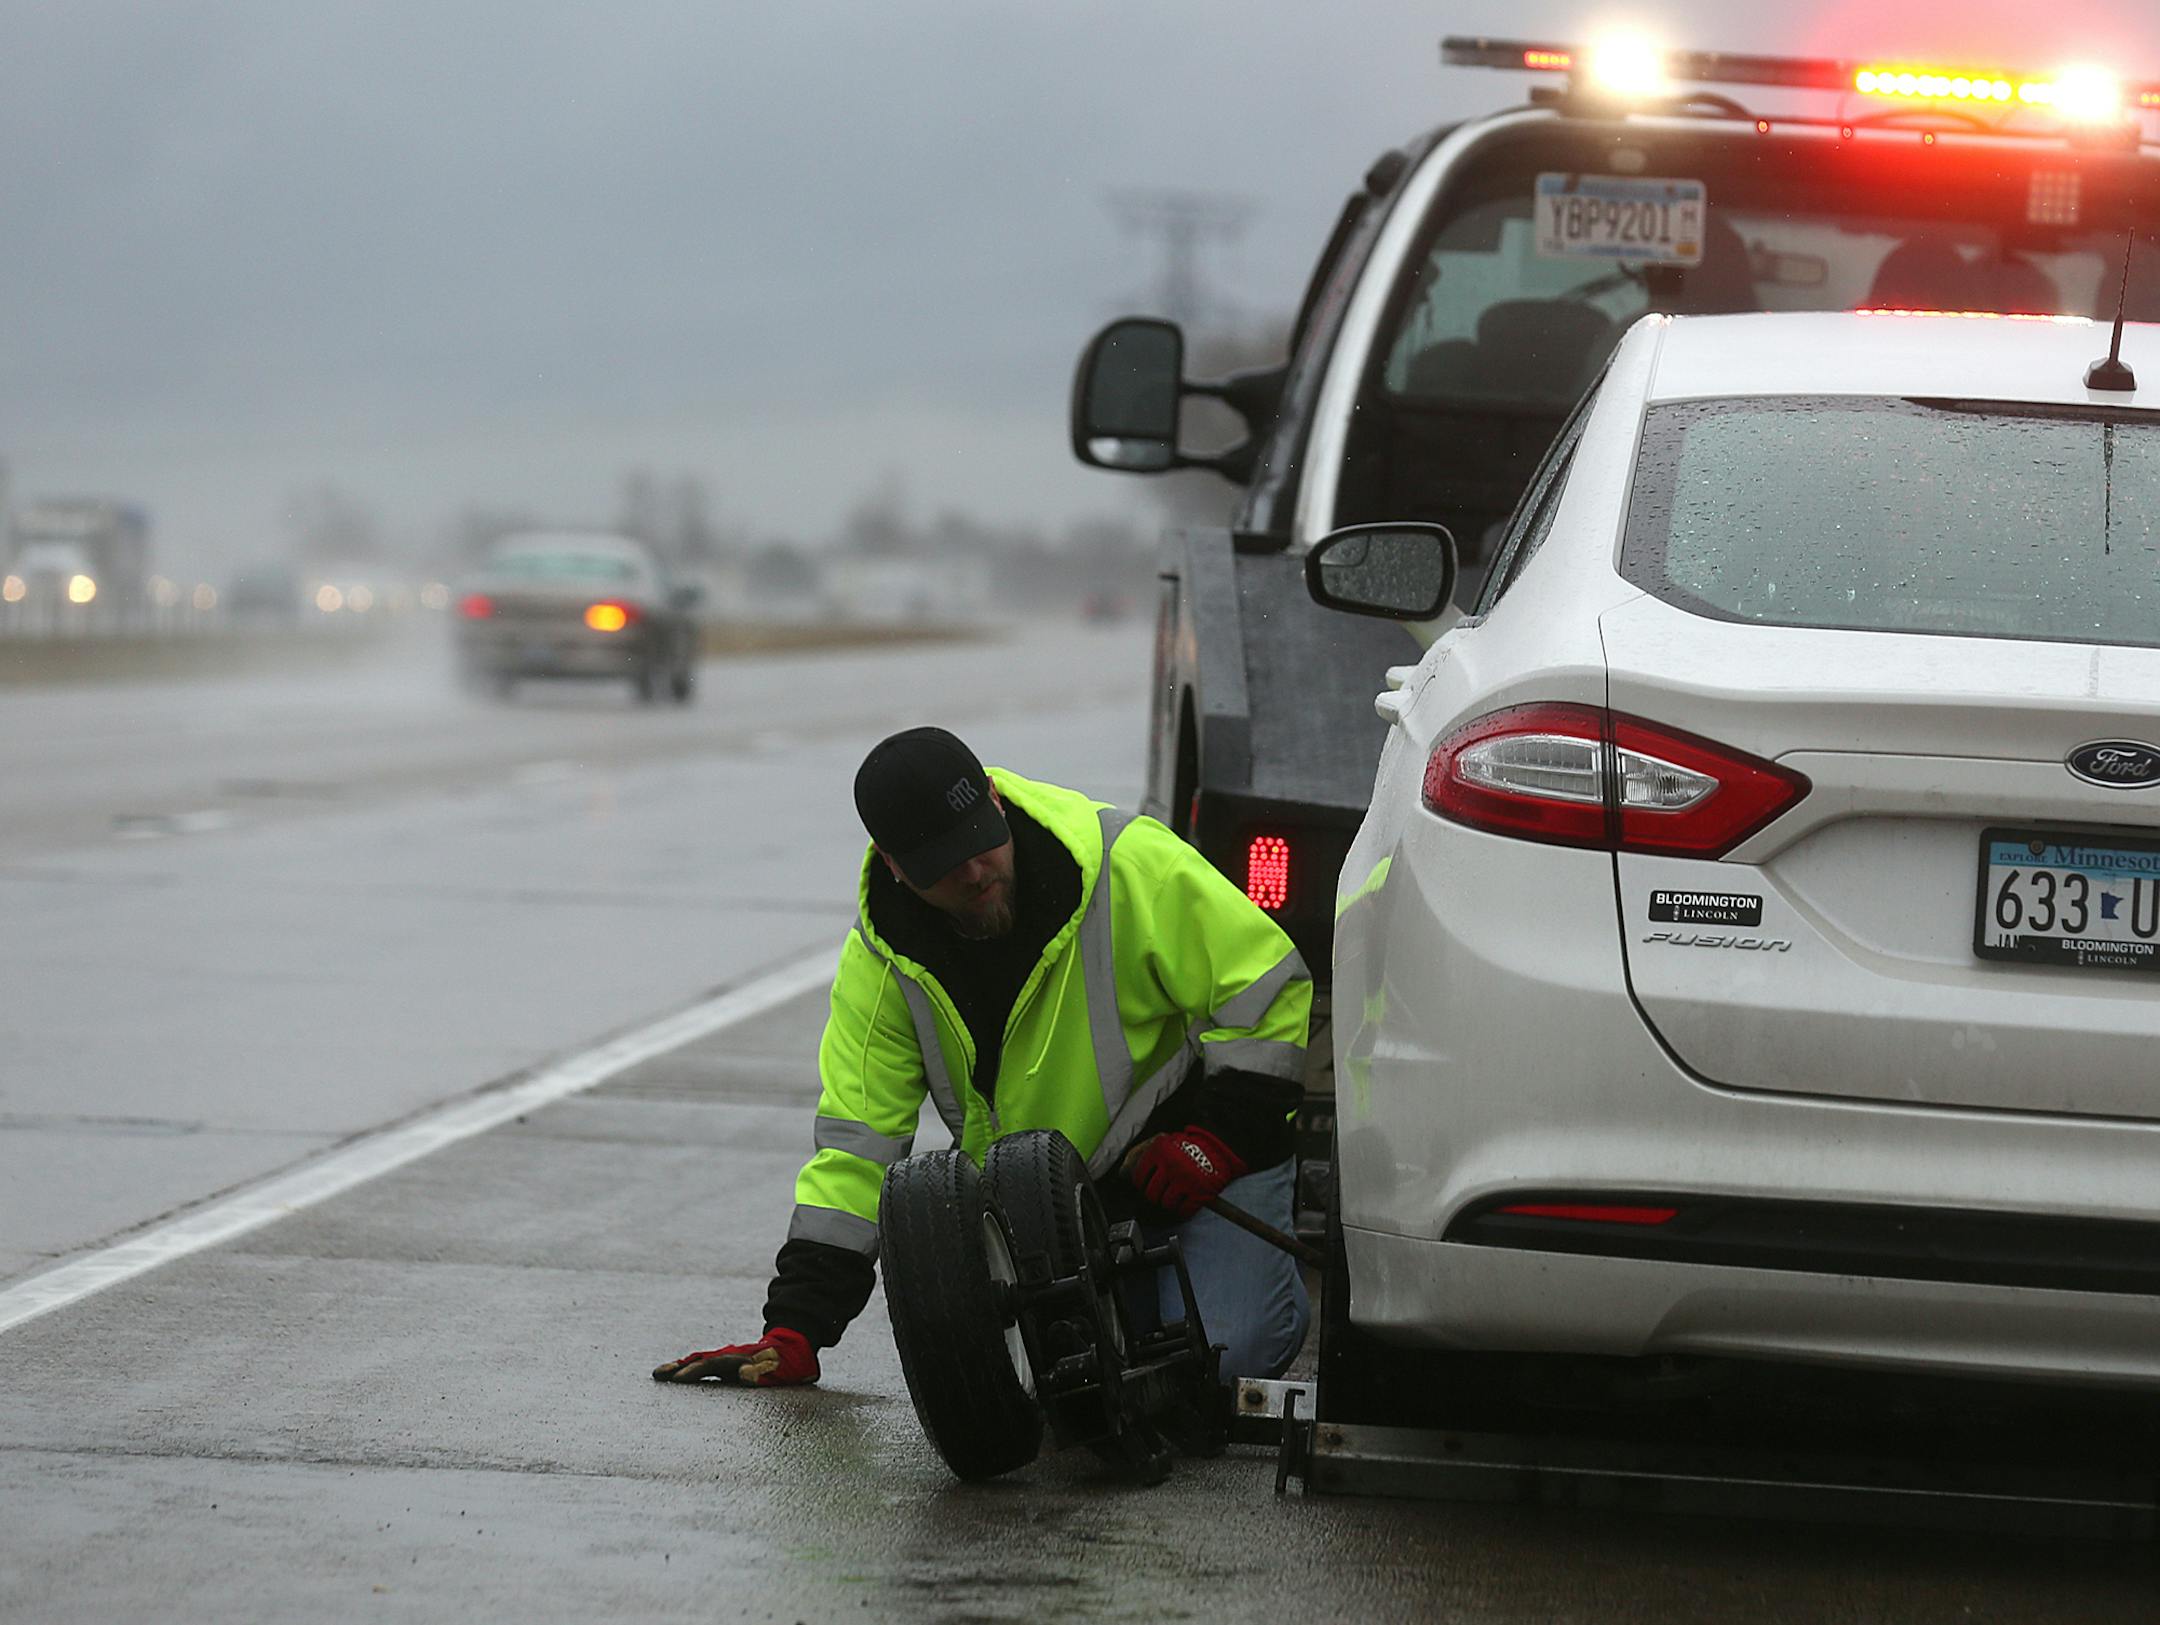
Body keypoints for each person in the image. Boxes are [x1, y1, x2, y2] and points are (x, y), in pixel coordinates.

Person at [653, 726, 1313, 1389]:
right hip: (1050, 1203)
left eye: (978, 844)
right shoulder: (886, 963)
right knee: (1071, 1381)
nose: (974, 873)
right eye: (944, 864)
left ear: (996, 802)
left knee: (1224, 1359)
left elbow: (1269, 989)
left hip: (1195, 1160)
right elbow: (857, 1148)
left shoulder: (1127, 862)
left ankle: (1255, 1294)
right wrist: (795, 1327)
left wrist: (1217, 1138)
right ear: (895, 866)